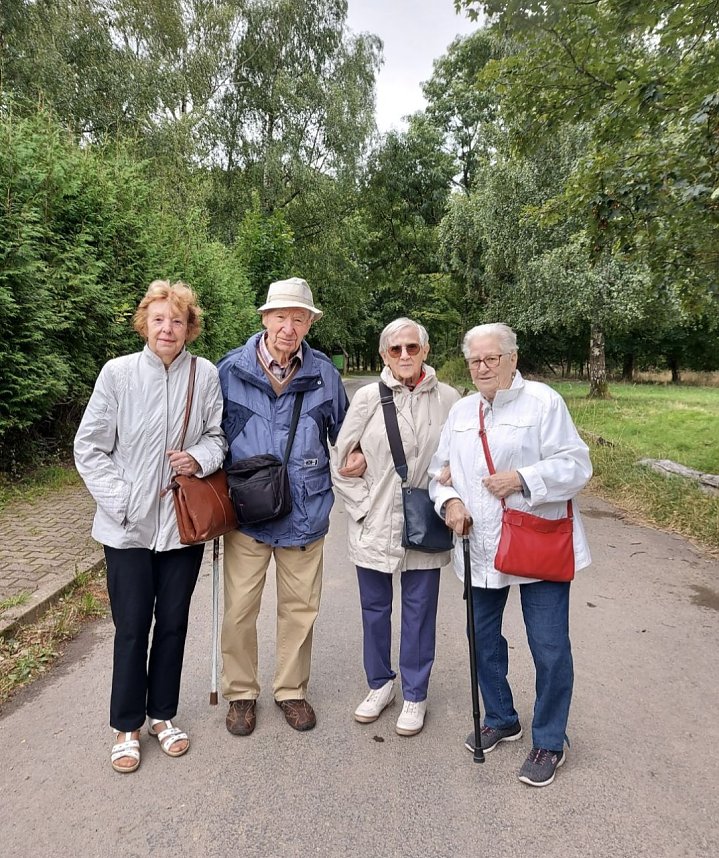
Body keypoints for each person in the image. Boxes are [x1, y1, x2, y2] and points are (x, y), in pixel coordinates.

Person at [429, 322, 592, 787]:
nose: (482, 367)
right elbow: (438, 475)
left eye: (491, 359)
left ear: (512, 359)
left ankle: (549, 739)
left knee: (549, 647)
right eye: (474, 360)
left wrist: (522, 479)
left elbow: (577, 465)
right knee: (483, 641)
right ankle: (501, 717)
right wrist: (451, 503)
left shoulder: (544, 403)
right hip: (479, 548)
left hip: (535, 544)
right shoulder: (461, 411)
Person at [74, 280, 226, 774]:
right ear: (145, 323)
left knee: (174, 625)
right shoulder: (117, 374)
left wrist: (198, 458)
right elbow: (90, 447)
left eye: (177, 320)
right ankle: (126, 725)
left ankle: (163, 716)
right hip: (127, 529)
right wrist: (122, 503)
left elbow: (217, 438)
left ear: (189, 329)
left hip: (181, 526)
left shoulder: (204, 377)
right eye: (159, 319)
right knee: (132, 627)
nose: (168, 328)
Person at [218, 277, 353, 734]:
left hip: (305, 511)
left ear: (309, 323)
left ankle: (291, 690)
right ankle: (240, 693)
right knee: (239, 610)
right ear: (264, 319)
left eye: (299, 318)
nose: (288, 327)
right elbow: (209, 436)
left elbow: (346, 434)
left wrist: (356, 459)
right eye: (281, 317)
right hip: (248, 514)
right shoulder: (230, 371)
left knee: (299, 610)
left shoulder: (325, 374)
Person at [331, 318, 460, 736]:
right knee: (374, 609)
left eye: (411, 347)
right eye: (395, 349)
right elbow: (340, 462)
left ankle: (415, 694)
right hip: (375, 521)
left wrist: (453, 483)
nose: (404, 355)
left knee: (420, 612)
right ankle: (379, 684)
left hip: (424, 520)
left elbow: (463, 457)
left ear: (425, 350)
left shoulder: (449, 399)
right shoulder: (369, 397)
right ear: (384, 354)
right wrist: (363, 508)